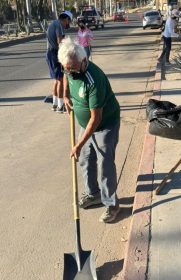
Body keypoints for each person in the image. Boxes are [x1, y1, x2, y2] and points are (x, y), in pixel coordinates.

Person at [58, 38, 121, 223]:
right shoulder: (70, 67)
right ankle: (93, 194)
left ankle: (112, 204)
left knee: (105, 164)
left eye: (73, 68)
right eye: (67, 68)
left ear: (84, 61)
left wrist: (78, 144)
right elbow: (65, 76)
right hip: (86, 125)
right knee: (85, 159)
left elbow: (96, 119)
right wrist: (65, 95)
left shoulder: (93, 79)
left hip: (105, 124)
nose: (71, 72)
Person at [46, 11, 73, 113]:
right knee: (61, 80)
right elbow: (60, 41)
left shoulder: (54, 23)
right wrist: (65, 55)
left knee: (56, 80)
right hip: (54, 54)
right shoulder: (59, 25)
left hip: (49, 53)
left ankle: (55, 104)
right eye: (68, 22)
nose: (68, 24)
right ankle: (61, 106)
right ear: (66, 19)